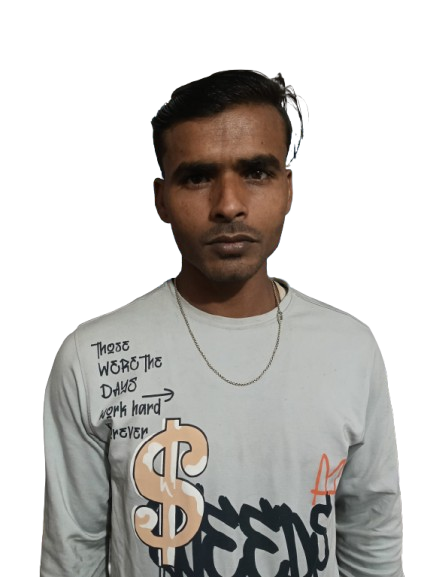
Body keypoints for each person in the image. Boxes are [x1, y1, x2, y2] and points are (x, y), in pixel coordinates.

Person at [41, 70, 404, 577]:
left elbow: (372, 544)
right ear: (162, 198)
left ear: (288, 188)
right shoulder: (92, 358)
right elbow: (72, 556)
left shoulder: (351, 351)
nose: (229, 205)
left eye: (256, 172)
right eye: (197, 177)